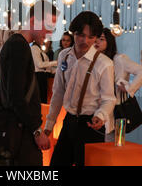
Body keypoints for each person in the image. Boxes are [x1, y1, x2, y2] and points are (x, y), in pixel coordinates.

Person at [44, 11, 116, 166]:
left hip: (91, 125)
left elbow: (109, 98)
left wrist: (101, 115)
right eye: (81, 35)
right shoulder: (64, 56)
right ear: (73, 33)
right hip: (69, 120)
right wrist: (49, 124)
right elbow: (58, 92)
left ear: (96, 37)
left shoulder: (104, 64)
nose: (85, 41)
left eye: (91, 37)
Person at [0, 0, 58, 165]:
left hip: (17, 128)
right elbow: (16, 96)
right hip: (19, 132)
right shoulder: (18, 47)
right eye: (48, 26)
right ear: (34, 21)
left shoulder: (17, 44)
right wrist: (36, 131)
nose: (49, 32)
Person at [94, 28, 142, 142]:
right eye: (96, 39)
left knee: (117, 144)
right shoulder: (95, 60)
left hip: (118, 110)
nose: (97, 42)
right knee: (98, 145)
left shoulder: (119, 59)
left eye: (101, 39)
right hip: (99, 109)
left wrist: (129, 88)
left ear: (109, 42)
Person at [31, 40, 57, 104]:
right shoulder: (34, 48)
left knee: (43, 99)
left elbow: (49, 69)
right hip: (38, 76)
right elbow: (40, 64)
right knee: (40, 100)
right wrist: (56, 62)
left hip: (43, 76)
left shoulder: (41, 50)